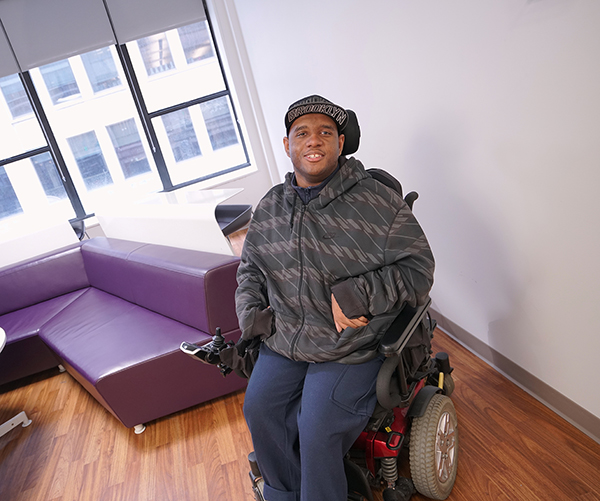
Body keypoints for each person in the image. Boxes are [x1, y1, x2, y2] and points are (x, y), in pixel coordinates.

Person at [234, 95, 435, 501]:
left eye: (326, 132)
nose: (314, 141)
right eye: (302, 133)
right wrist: (251, 311)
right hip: (287, 338)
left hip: (352, 344)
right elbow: (250, 269)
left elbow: (419, 270)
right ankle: (284, 493)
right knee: (260, 409)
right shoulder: (272, 205)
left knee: (317, 426)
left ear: (341, 144)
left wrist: (358, 293)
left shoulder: (377, 202)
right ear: (286, 145)